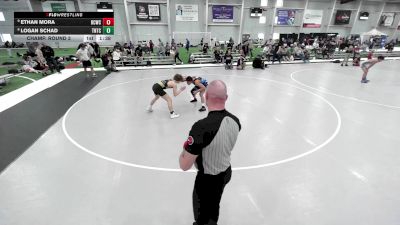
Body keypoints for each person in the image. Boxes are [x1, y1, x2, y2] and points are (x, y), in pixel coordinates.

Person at [179, 80, 241, 225]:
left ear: (206, 97)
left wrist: (185, 147)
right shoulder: (236, 121)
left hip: (207, 180)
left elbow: (184, 165)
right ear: (226, 98)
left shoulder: (201, 128)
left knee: (203, 217)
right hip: (226, 172)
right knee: (215, 202)